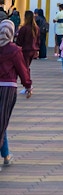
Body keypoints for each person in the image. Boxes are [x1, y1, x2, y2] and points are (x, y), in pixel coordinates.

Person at [0, 20, 32, 169]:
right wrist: (28, 85)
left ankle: (6, 154)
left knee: (2, 122)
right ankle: (5, 155)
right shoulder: (14, 49)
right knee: (2, 121)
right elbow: (22, 69)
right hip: (8, 88)